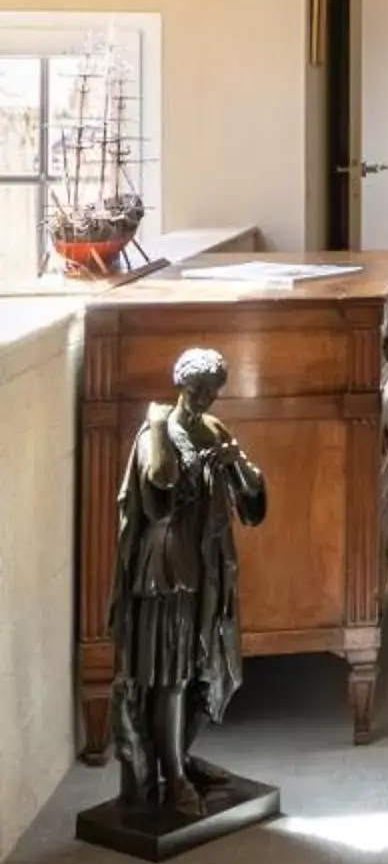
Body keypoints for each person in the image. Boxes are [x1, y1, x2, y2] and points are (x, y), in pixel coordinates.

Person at [106, 346, 268, 818]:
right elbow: (159, 489)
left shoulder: (214, 429)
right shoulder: (158, 429)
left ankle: (179, 756)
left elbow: (252, 502)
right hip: (168, 569)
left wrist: (237, 466)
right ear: (181, 385)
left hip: (208, 564)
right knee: (169, 674)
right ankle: (170, 777)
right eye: (197, 390)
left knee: (205, 668)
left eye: (213, 393)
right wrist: (187, 454)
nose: (205, 400)